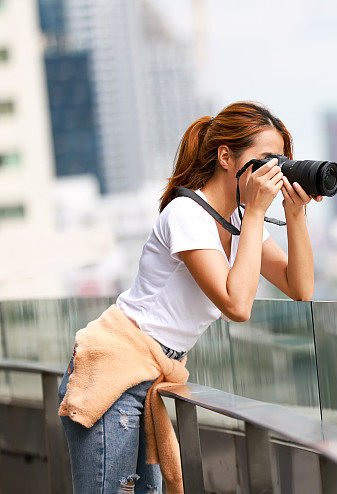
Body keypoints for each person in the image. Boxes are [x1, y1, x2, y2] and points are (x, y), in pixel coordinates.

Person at [56, 101, 321, 493]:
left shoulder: (238, 223)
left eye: (279, 161)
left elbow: (300, 289)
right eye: (264, 159)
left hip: (148, 377)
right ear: (226, 156)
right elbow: (237, 305)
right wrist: (254, 215)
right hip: (114, 371)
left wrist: (295, 215)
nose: (273, 171)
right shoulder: (186, 213)